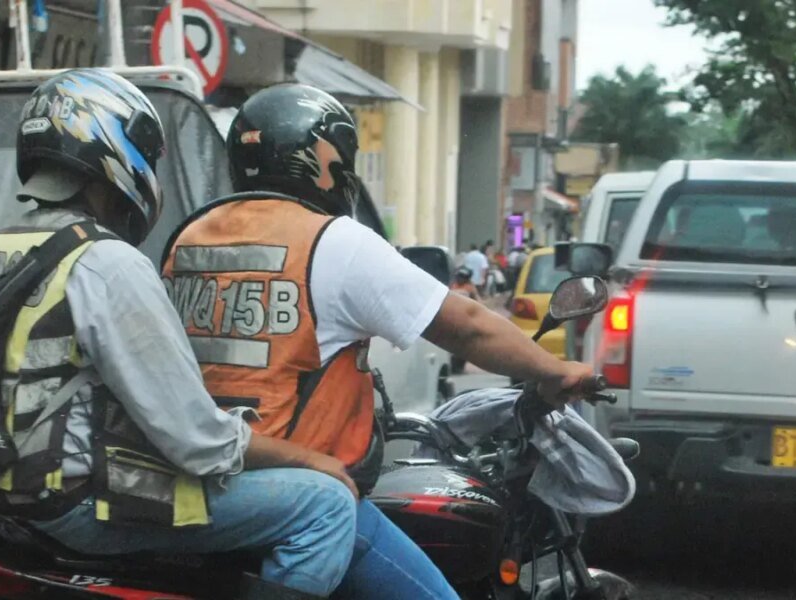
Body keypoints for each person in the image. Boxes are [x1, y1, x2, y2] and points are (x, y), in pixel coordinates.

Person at [161, 84, 592, 600]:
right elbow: (465, 325)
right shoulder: (332, 240)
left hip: (197, 484)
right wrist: (557, 370)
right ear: (326, 158)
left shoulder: (190, 238)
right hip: (299, 488)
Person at [0, 70, 362, 600]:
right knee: (324, 503)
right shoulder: (104, 261)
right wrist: (312, 459)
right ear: (115, 154)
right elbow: (196, 441)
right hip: (78, 504)